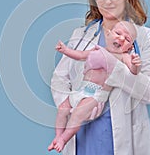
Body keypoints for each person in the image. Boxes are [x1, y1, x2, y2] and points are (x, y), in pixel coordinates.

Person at [50, 0, 150, 155]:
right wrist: (72, 106)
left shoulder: (146, 37)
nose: (107, 1)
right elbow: (59, 79)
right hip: (83, 131)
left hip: (122, 135)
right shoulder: (81, 35)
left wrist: (115, 69)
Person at [48, 21, 141, 152]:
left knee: (76, 116)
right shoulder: (97, 50)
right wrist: (66, 50)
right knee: (63, 108)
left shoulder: (122, 56)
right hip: (81, 89)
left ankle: (63, 139)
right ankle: (58, 136)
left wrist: (136, 64)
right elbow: (80, 56)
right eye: (118, 33)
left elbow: (133, 71)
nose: (121, 38)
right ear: (108, 35)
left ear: (130, 47)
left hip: (95, 95)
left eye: (127, 39)